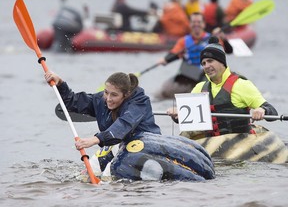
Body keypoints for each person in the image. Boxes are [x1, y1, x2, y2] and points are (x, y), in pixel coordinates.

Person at [44, 71, 215, 181]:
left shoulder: (139, 102)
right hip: (116, 146)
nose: (108, 99)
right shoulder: (101, 100)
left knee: (109, 177)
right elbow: (73, 102)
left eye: (114, 95)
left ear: (125, 95)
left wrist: (95, 140)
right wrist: (60, 84)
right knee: (87, 176)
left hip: (144, 146)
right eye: (106, 93)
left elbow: (123, 126)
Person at [167, 36, 278, 139]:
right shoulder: (199, 88)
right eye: (204, 63)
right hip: (212, 143)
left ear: (222, 62)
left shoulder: (241, 85)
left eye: (210, 61)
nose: (206, 66)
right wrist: (177, 114)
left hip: (240, 142)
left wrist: (262, 110)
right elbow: (188, 120)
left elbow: (273, 112)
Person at [156, 12, 233, 99]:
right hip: (189, 76)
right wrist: (165, 59)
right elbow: (174, 53)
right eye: (193, 22)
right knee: (163, 92)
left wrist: (223, 38)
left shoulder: (212, 38)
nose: (196, 24)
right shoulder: (184, 41)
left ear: (203, 24)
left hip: (207, 74)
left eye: (199, 22)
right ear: (190, 24)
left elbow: (229, 51)